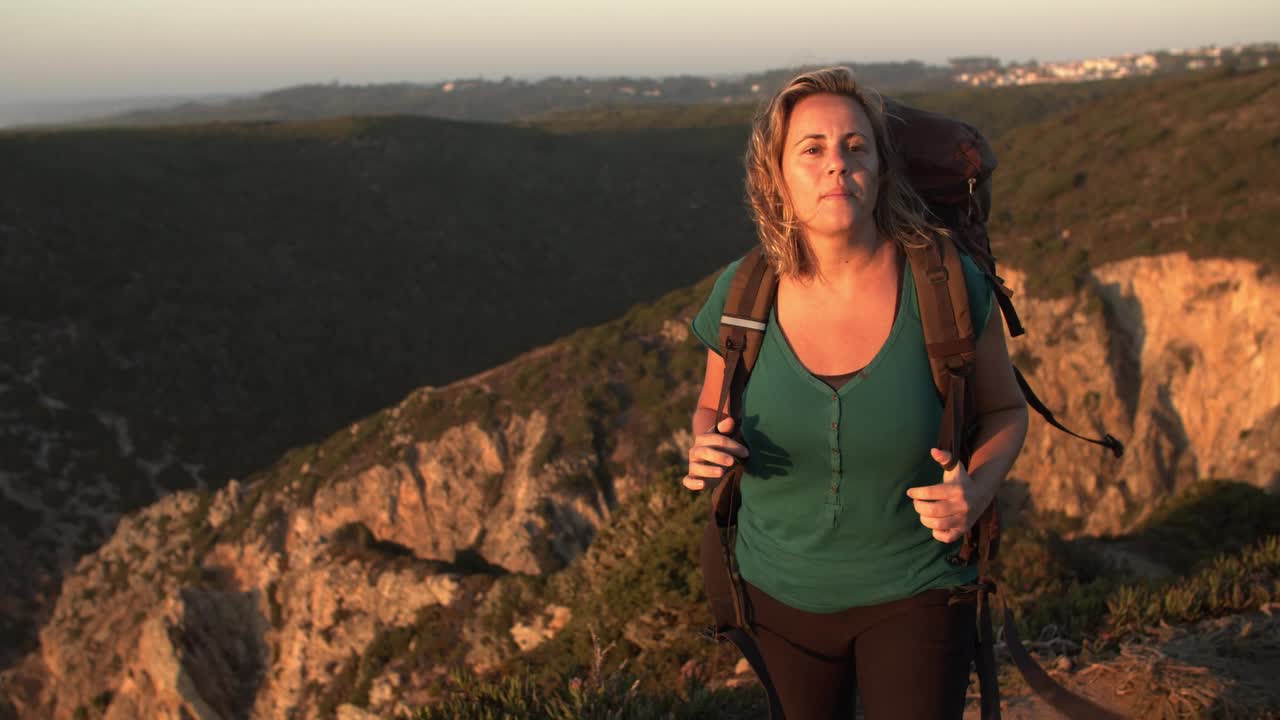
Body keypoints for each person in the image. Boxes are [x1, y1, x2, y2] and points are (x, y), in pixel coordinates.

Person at [684, 67, 1029, 719]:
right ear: (777, 177)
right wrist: (706, 438)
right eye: (811, 149)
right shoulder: (742, 294)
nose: (835, 165)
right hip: (775, 595)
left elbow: (1007, 410)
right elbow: (712, 406)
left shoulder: (947, 287)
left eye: (855, 146)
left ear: (880, 169)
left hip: (918, 588)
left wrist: (975, 493)